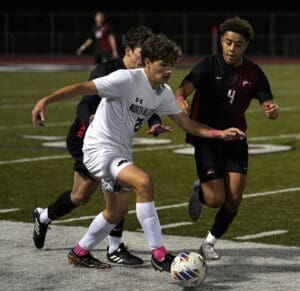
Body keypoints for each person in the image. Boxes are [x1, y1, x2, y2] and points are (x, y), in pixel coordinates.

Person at [32, 33, 245, 271]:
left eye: (172, 66)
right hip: (99, 149)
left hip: (120, 150)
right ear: (147, 62)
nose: (168, 71)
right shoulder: (125, 79)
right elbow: (84, 88)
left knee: (115, 212)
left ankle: (79, 252)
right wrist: (46, 101)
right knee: (143, 182)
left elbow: (187, 124)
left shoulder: (162, 92)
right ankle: (159, 254)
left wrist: (220, 134)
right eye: (163, 65)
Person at [32, 26, 171, 266]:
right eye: (143, 52)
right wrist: (91, 119)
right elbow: (83, 104)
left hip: (113, 143)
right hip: (87, 138)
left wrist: (156, 122)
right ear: (128, 50)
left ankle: (47, 218)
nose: (147, 57)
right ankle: (109, 246)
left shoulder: (143, 77)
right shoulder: (108, 70)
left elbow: (148, 107)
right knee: (89, 194)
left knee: (89, 194)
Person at [175, 16, 279, 260]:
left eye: (238, 44)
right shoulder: (207, 66)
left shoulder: (254, 73)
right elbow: (183, 88)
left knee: (233, 199)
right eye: (228, 42)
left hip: (235, 138)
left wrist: (271, 109)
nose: (232, 48)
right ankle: (200, 191)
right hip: (206, 137)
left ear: (246, 46)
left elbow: (268, 102)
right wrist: (181, 99)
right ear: (221, 41)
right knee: (214, 199)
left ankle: (209, 242)